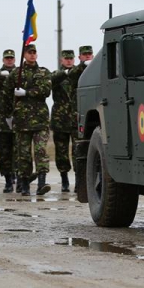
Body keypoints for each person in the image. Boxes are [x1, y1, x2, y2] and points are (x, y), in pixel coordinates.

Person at [4, 44, 52, 196]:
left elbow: (46, 91)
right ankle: (24, 184)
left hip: (40, 120)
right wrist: (8, 115)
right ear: (24, 55)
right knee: (23, 154)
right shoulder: (16, 73)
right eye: (29, 53)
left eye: (34, 52)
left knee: (41, 151)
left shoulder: (43, 72)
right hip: (21, 120)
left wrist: (27, 93)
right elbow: (6, 94)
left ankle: (42, 183)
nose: (32, 55)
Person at [0, 49, 17, 193]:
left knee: (19, 152)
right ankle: (7, 180)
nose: (9, 60)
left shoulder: (20, 73)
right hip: (2, 120)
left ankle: (18, 177)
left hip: (19, 118)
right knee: (4, 153)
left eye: (11, 58)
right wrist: (4, 75)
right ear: (3, 60)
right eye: (7, 58)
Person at [66, 45, 93, 192]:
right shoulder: (76, 72)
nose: (87, 57)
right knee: (78, 151)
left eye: (89, 54)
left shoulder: (96, 70)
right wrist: (83, 66)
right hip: (78, 118)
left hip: (94, 117)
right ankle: (79, 182)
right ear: (80, 57)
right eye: (85, 55)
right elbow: (71, 76)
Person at [50, 49, 77, 192]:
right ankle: (64, 179)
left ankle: (79, 180)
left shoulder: (79, 75)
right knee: (61, 151)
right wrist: (64, 73)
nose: (68, 61)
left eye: (70, 59)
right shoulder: (56, 74)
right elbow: (51, 81)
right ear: (61, 60)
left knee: (78, 151)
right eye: (66, 59)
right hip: (60, 119)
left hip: (75, 118)